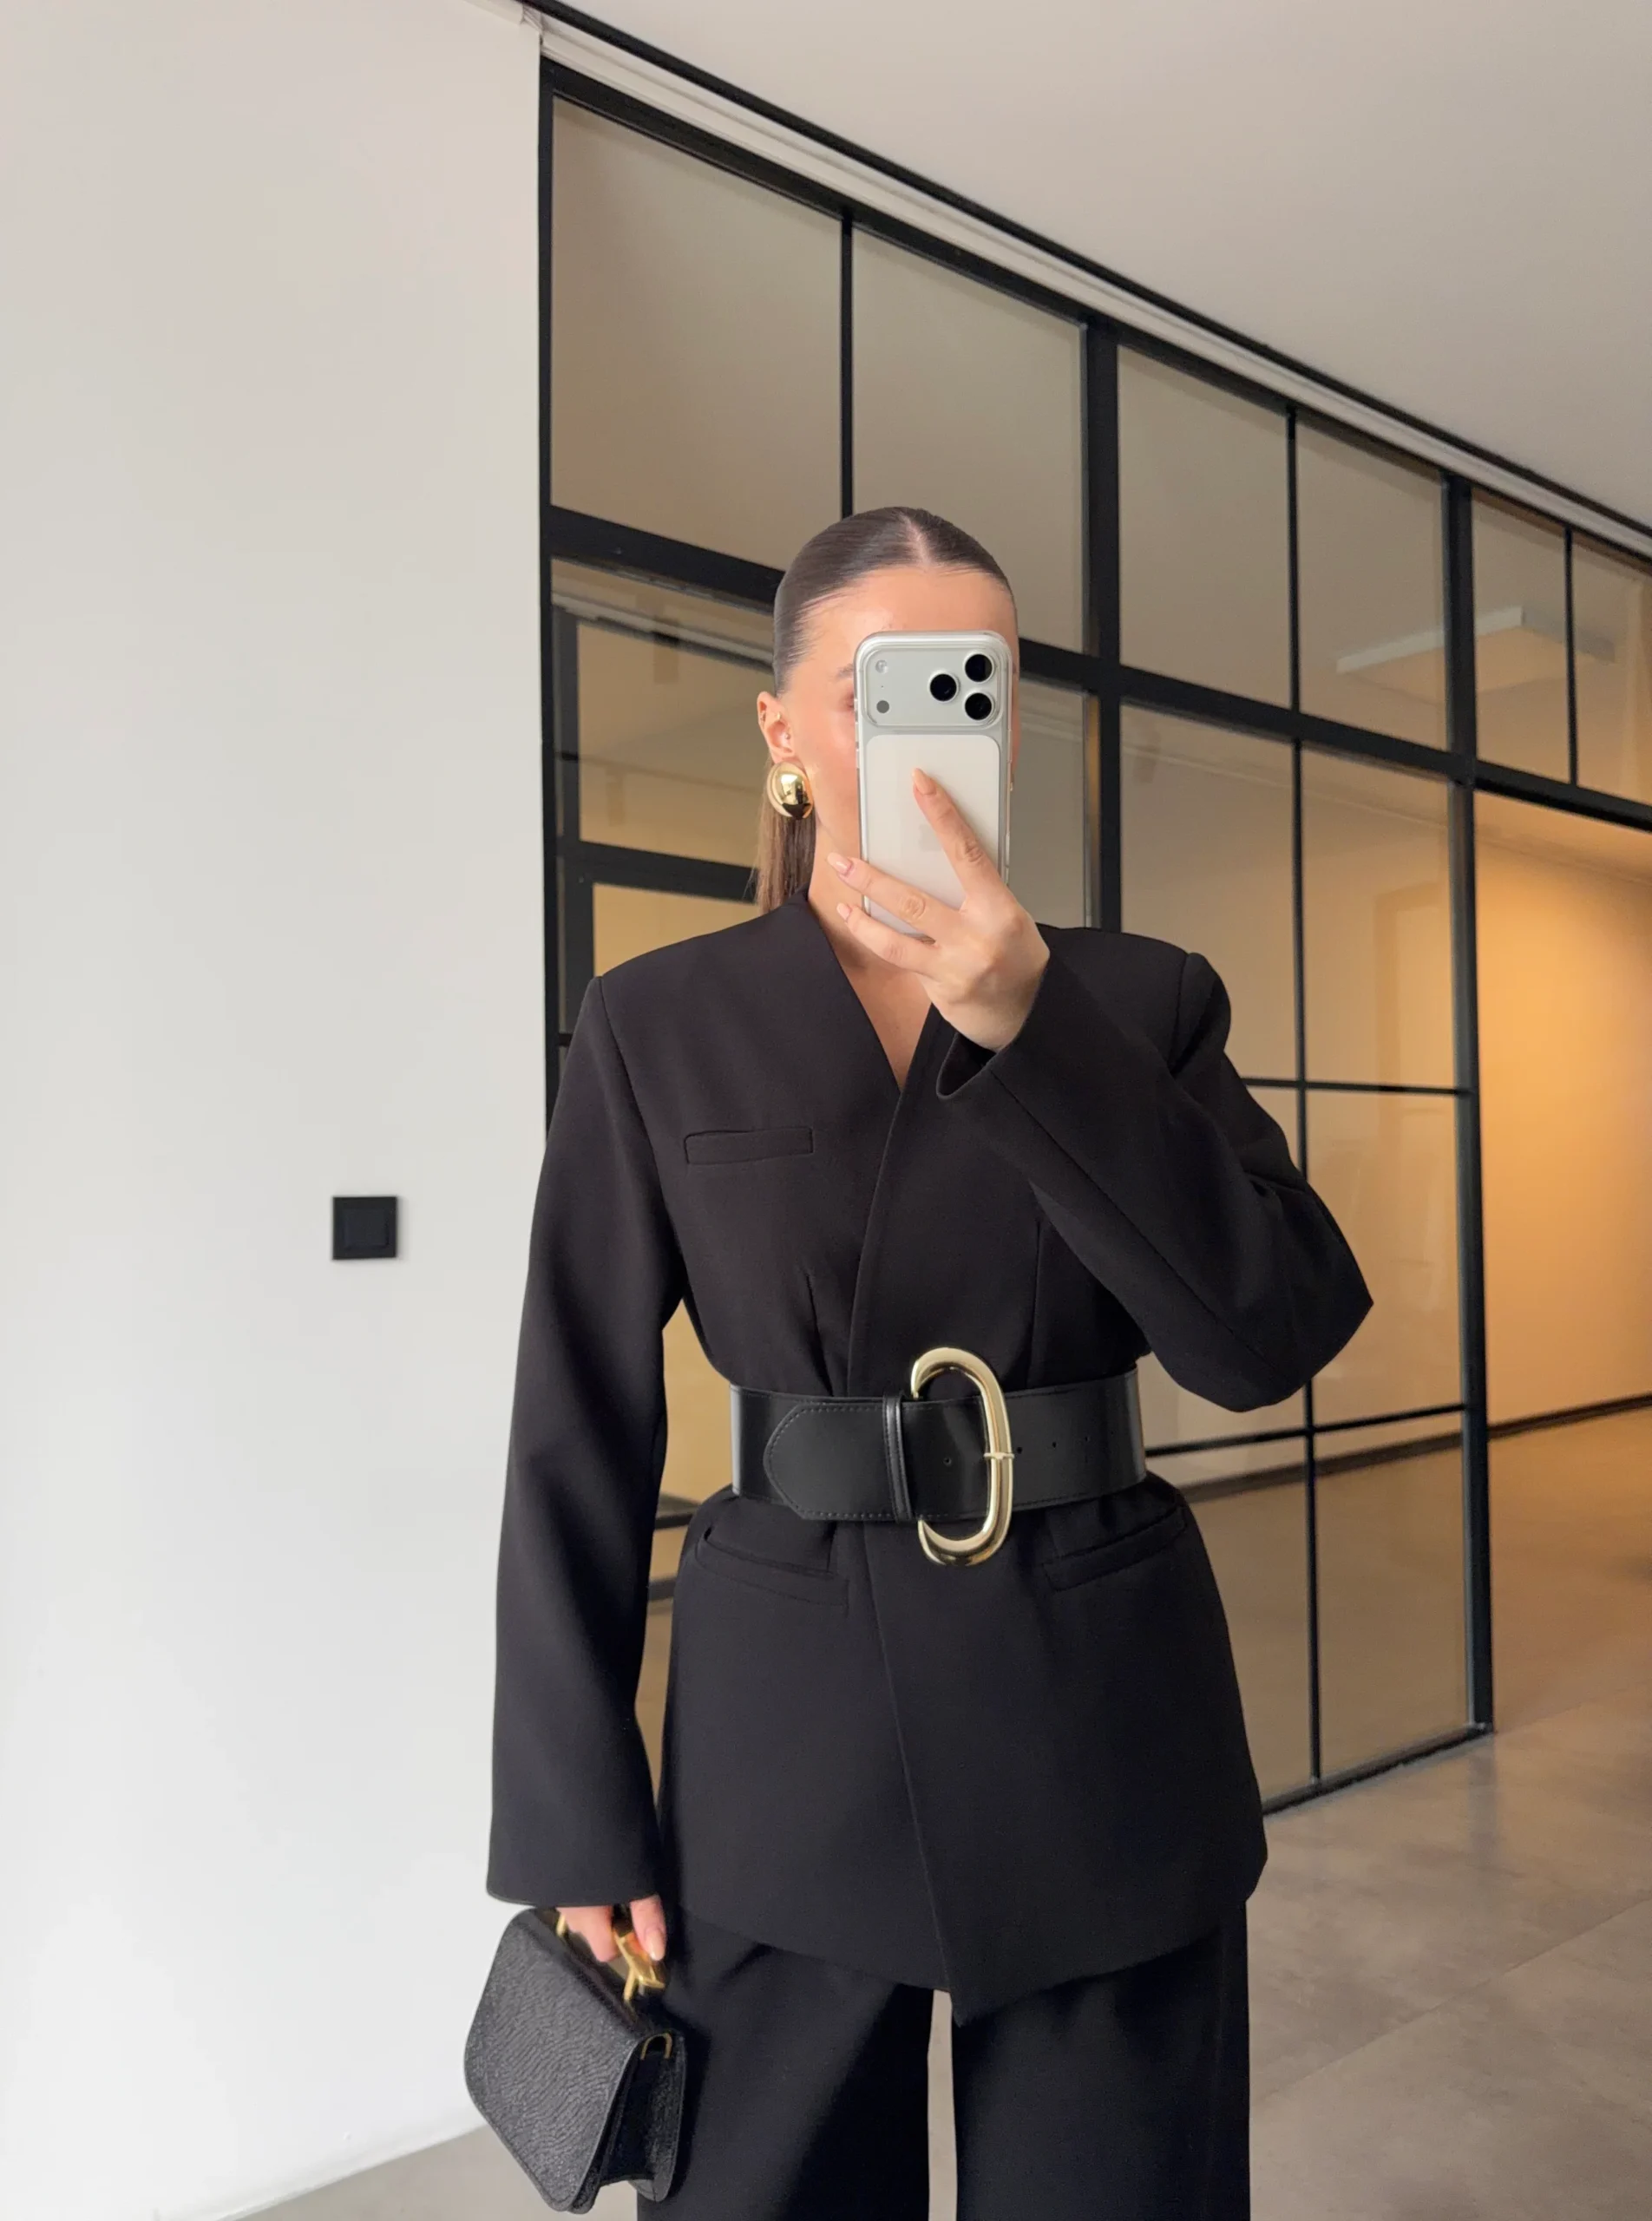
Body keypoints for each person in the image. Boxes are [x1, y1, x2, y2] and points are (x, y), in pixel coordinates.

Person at [487, 506, 1372, 2218]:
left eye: (981, 681)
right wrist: (572, 1810)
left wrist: (1036, 1026)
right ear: (785, 732)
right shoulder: (658, 1021)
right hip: (784, 1735)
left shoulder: (1142, 1000)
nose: (944, 719)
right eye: (885, 685)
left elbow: (1266, 1335)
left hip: (1102, 1709)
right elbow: (573, 1427)